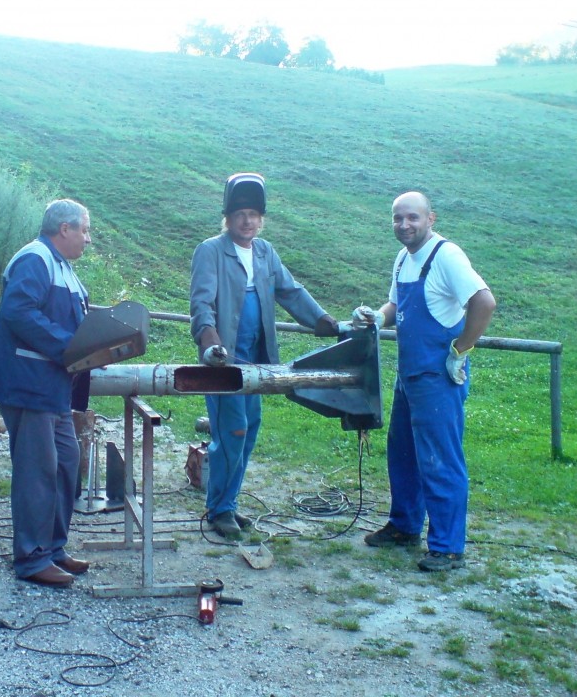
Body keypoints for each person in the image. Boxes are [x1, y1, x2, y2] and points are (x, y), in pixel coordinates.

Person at [190, 173, 341, 540]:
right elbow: (202, 303)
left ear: (262, 218)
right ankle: (219, 510)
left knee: (249, 430)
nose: (247, 221)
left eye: (254, 214)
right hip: (224, 363)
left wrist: (325, 323)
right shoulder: (210, 250)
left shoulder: (265, 252)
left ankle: (227, 503)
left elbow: (291, 292)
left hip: (257, 363)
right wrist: (210, 344)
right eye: (240, 213)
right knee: (232, 432)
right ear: (227, 218)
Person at [354, 191, 495, 572]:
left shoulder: (446, 256)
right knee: (403, 453)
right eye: (398, 219)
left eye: (413, 218)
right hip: (409, 375)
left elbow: (484, 302)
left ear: (431, 218)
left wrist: (460, 352)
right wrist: (376, 318)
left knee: (440, 460)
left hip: (438, 377)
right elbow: (396, 305)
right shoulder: (404, 258)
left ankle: (448, 547)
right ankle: (404, 526)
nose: (404, 225)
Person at [0, 198, 93, 588]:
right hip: (27, 384)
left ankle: (53, 547)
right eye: (84, 229)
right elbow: (19, 312)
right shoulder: (35, 259)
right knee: (38, 471)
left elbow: (78, 324)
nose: (87, 238)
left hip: (54, 388)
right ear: (64, 229)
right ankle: (31, 558)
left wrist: (97, 348)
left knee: (67, 462)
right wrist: (71, 348)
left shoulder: (64, 268)